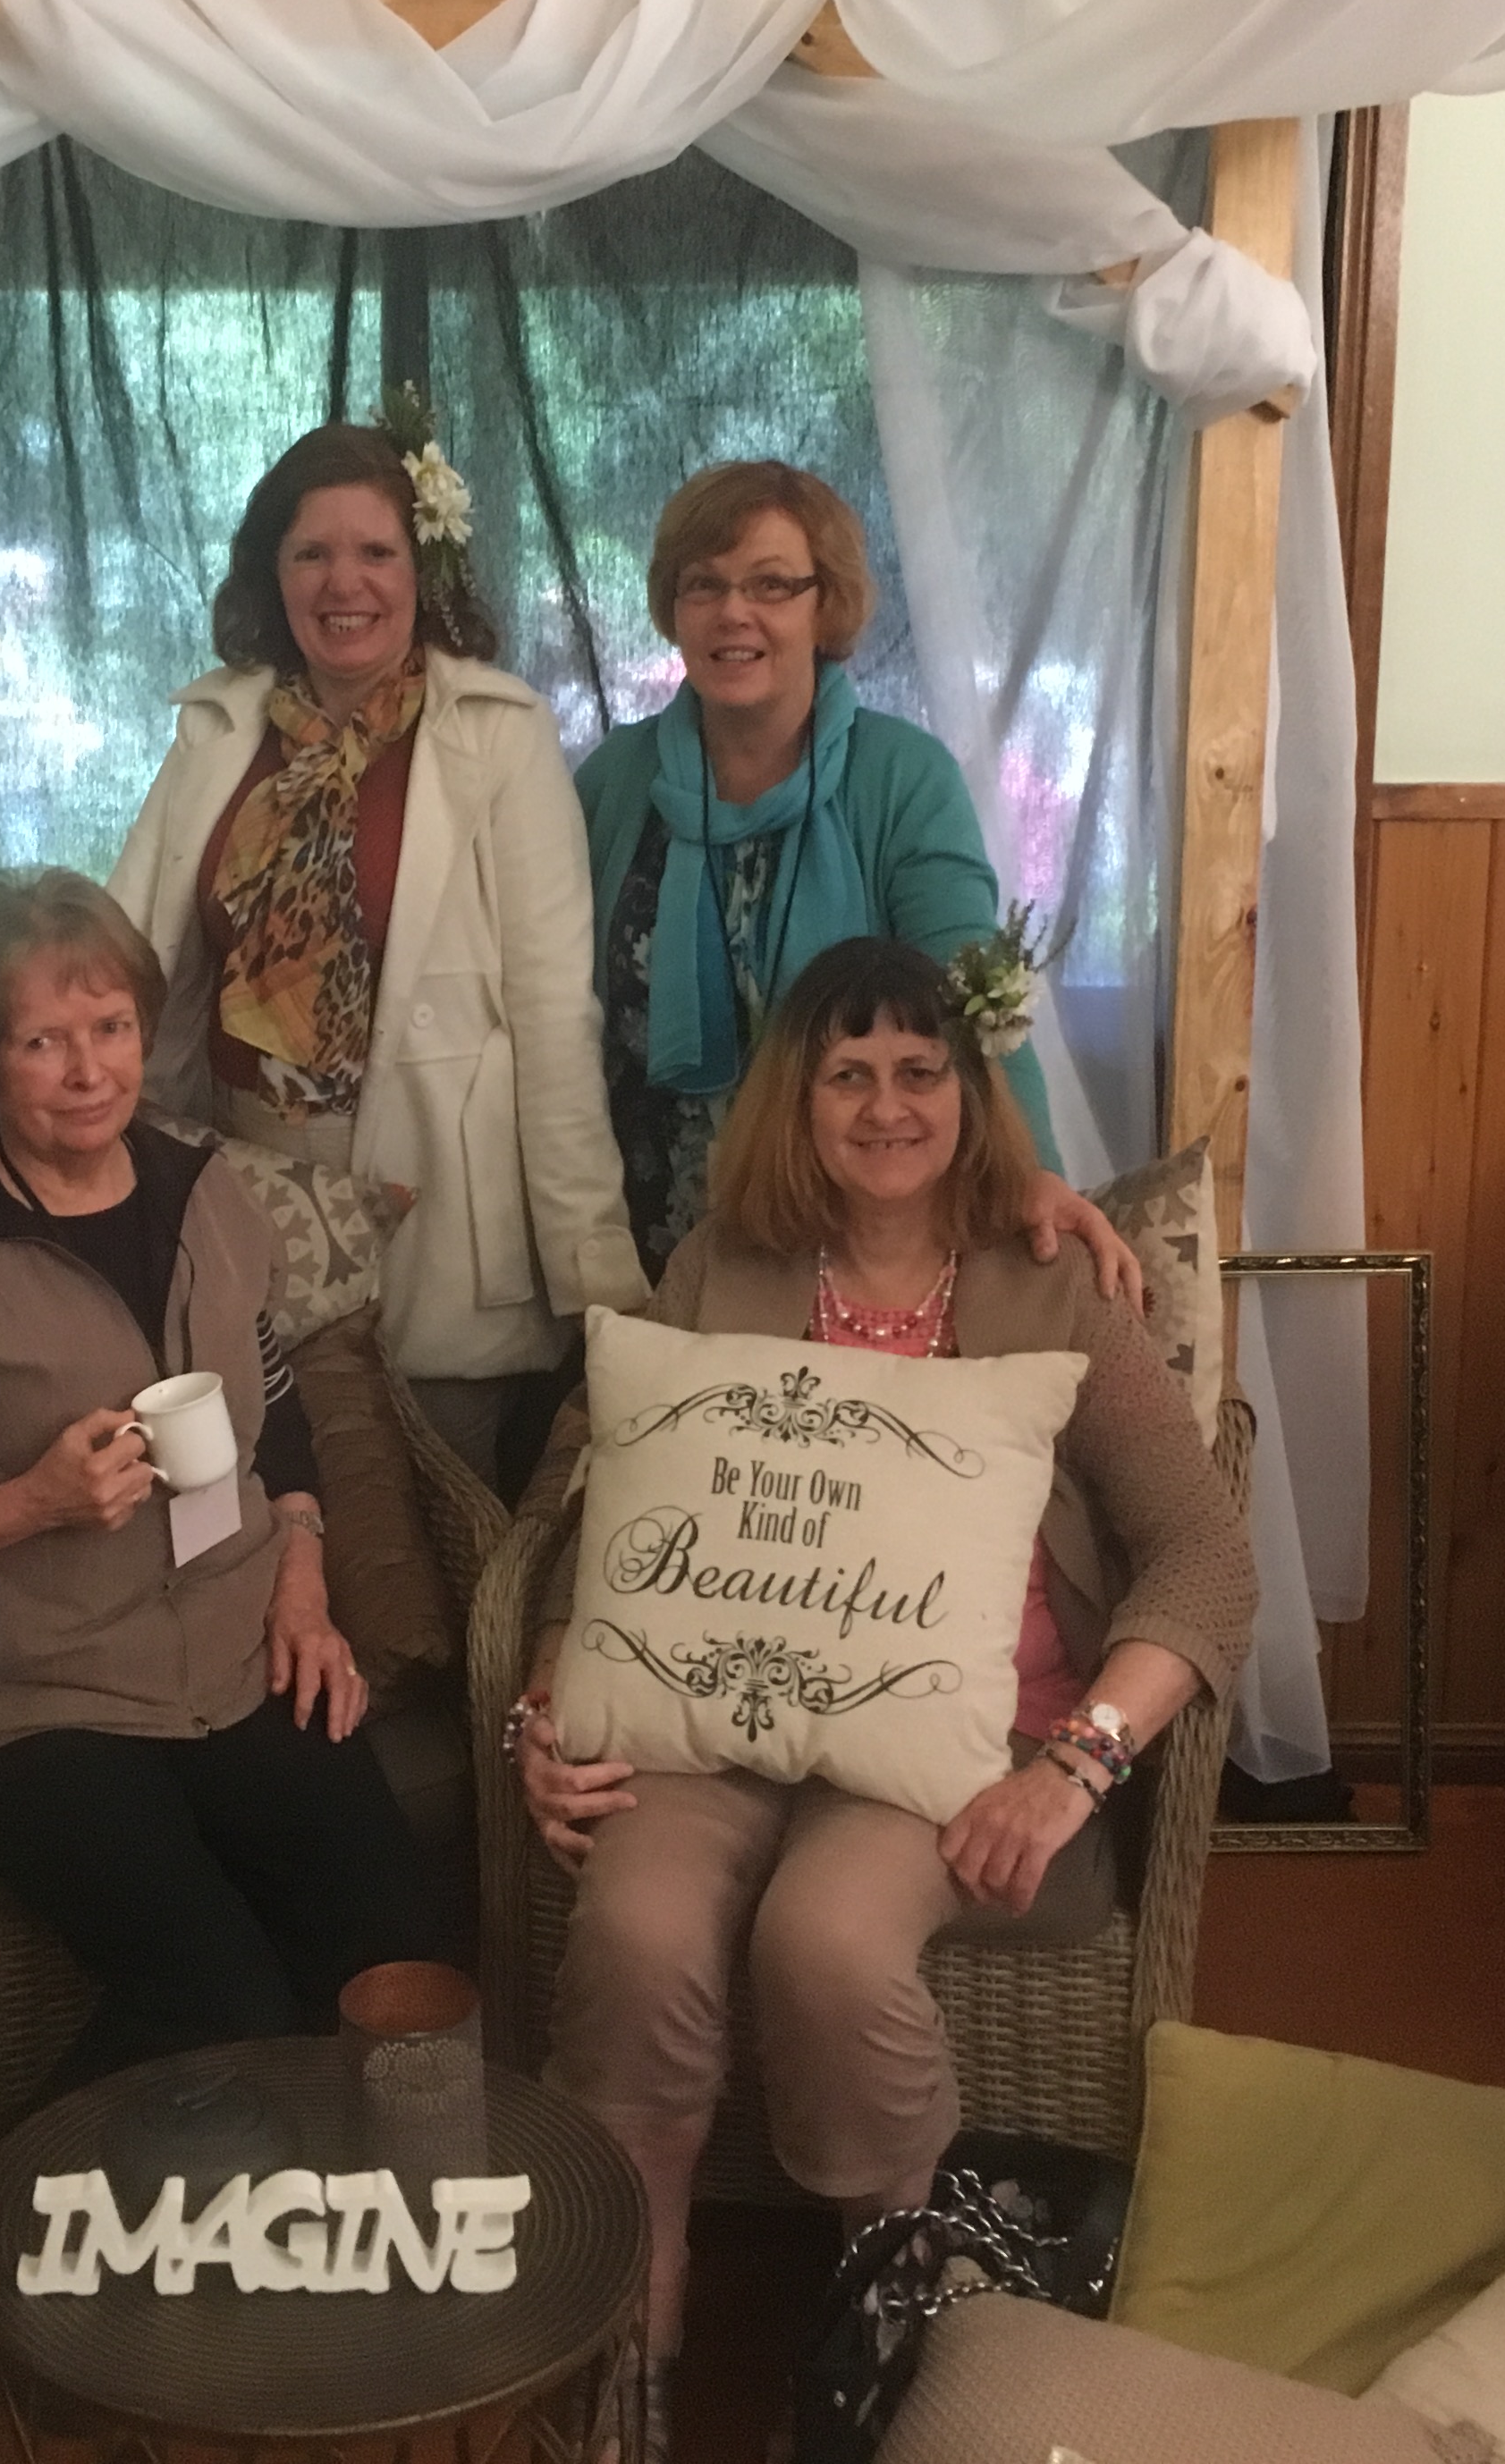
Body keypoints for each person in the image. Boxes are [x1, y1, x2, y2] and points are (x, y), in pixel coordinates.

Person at [506, 939, 1256, 2450]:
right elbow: (599, 1504)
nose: (887, 1104)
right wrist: (547, 1702)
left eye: (920, 1069)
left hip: (964, 1742)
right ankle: (641, 2325)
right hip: (724, 1716)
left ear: (969, 1090)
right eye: (847, 1072)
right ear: (797, 1099)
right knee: (636, 1925)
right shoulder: (721, 1267)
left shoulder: (1053, 1285)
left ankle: (891, 2323)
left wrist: (1075, 1766)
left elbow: (1205, 1554)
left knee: (827, 1933)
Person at [0, 867, 441, 2088]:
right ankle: (35, 2196)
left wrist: (304, 1584)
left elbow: (276, 1418)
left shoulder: (211, 1194)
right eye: (42, 1041)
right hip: (31, 1691)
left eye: (112, 1028)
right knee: (217, 1999)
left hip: (236, 1645)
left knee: (393, 1954)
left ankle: (325, 2196)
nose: (90, 1070)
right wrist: (32, 1503)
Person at [111, 419, 647, 1488]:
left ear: (422, 571)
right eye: (311, 552)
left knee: (441, 1543)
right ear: (272, 572)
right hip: (250, 1191)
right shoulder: (216, 732)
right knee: (275, 1517)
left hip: (437, 1206)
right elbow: (131, 969)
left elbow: (554, 1021)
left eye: (375, 551)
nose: (343, 582)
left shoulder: (500, 733)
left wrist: (598, 1284)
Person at [573, 461, 1140, 1299]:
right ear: (673, 606)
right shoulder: (614, 779)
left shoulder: (903, 777)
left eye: (771, 585)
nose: (733, 612)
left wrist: (1034, 1173)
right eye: (704, 585)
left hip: (839, 1250)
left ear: (826, 604)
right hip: (636, 1240)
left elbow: (972, 997)